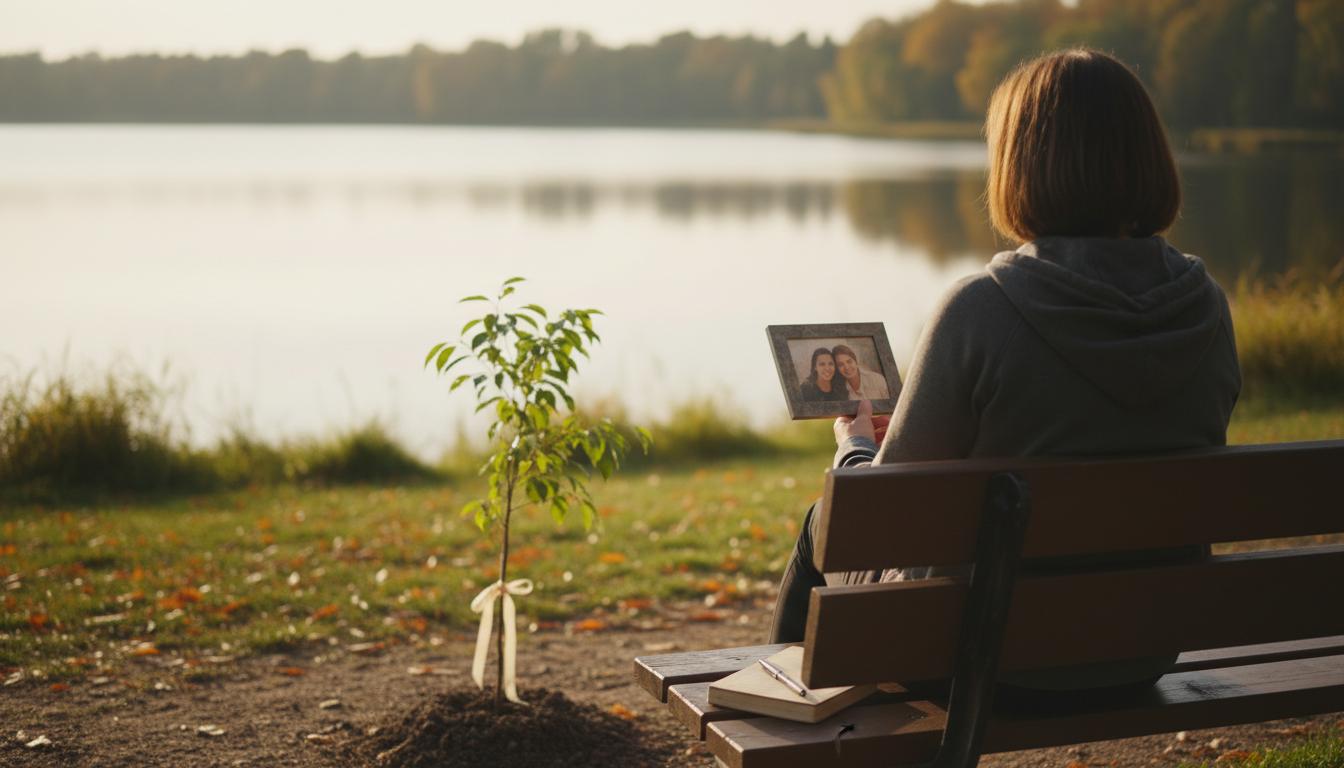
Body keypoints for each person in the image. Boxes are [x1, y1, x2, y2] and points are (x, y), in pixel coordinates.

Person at [768, 49, 1241, 692]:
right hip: (1140, 647)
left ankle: (789, 717)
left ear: (1019, 164)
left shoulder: (982, 308)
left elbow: (887, 524)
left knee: (827, 519)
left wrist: (854, 450)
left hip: (979, 656)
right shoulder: (1206, 305)